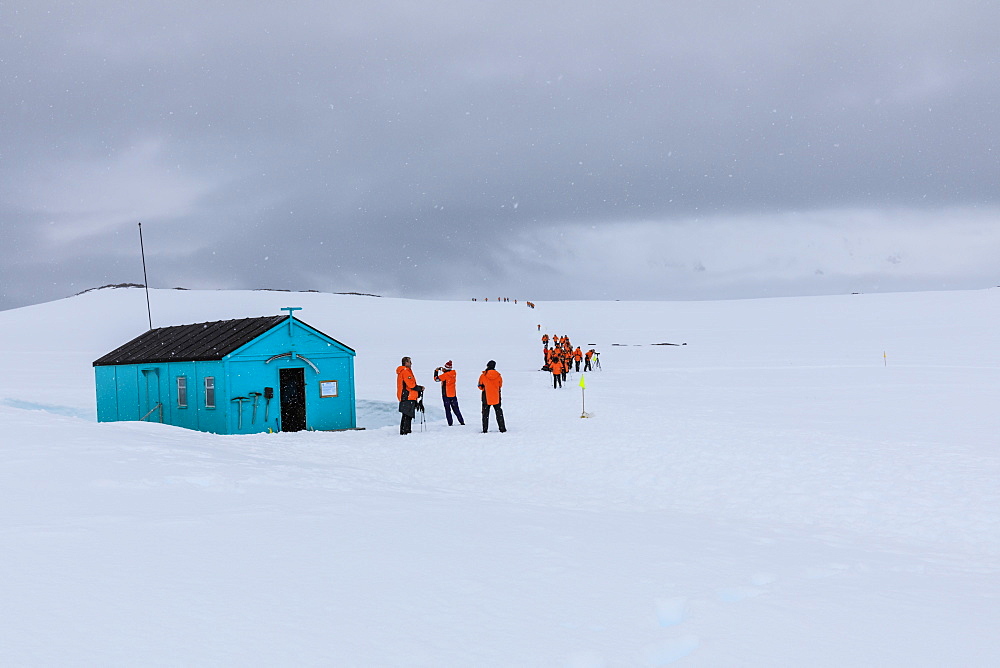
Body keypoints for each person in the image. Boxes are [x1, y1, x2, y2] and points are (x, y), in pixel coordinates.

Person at [477, 360, 506, 433]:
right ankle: (502, 428)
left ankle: (485, 429)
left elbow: (480, 386)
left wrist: (485, 388)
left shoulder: (483, 375)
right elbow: (500, 385)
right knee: (499, 413)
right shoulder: (498, 375)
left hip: (486, 397)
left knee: (485, 414)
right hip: (496, 396)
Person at [396, 356, 423, 435]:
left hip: (406, 396)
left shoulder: (404, 371)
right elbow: (411, 385)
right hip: (408, 396)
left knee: (406, 415)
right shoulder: (405, 371)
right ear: (406, 362)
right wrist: (419, 388)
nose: (411, 363)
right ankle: (405, 431)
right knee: (407, 415)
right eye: (410, 362)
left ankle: (405, 431)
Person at [433, 360, 465, 426]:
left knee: (448, 410)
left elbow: (436, 379)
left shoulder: (445, 375)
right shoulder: (453, 374)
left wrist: (436, 371)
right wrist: (443, 370)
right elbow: (447, 373)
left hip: (446, 395)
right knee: (456, 409)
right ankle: (461, 421)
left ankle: (450, 423)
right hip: (453, 394)